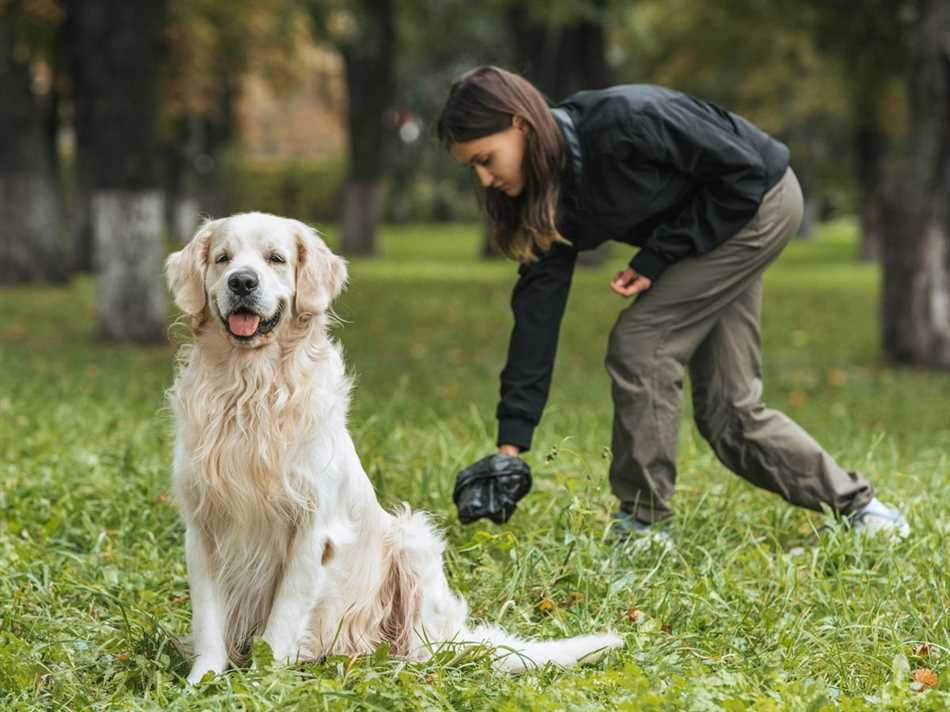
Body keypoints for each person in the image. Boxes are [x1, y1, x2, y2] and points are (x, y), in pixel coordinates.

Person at [437, 65, 909, 539]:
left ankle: (643, 525)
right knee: (730, 413)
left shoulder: (627, 122)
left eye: (485, 158)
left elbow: (743, 174)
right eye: (471, 168)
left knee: (641, 343)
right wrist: (510, 448)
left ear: (520, 124)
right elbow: (537, 314)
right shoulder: (550, 195)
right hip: (715, 224)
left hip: (759, 202)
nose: (482, 178)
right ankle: (864, 513)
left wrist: (658, 257)